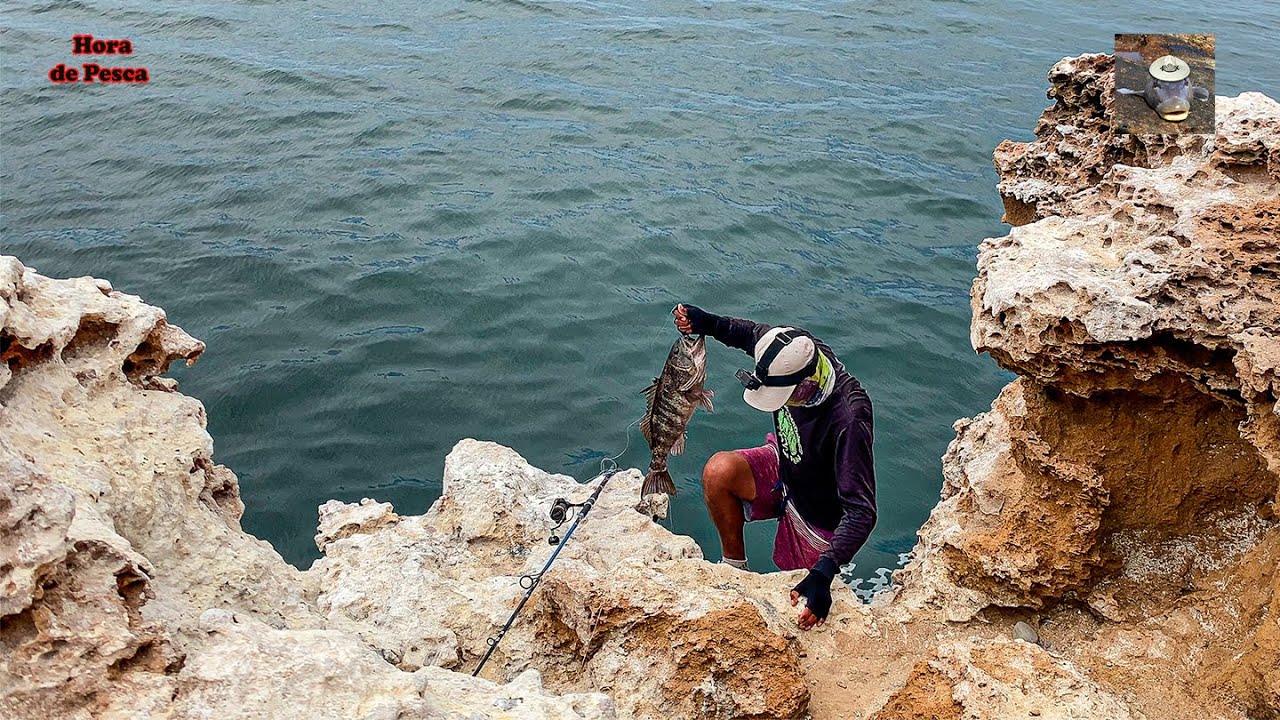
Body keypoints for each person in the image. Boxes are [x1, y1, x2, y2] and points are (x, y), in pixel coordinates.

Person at [673, 304, 876, 630]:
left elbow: (862, 512)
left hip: (816, 515)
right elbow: (748, 333)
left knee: (795, 609)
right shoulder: (795, 347)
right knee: (719, 472)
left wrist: (825, 571)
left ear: (809, 383)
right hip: (784, 467)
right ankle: (735, 572)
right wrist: (707, 322)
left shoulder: (849, 417)